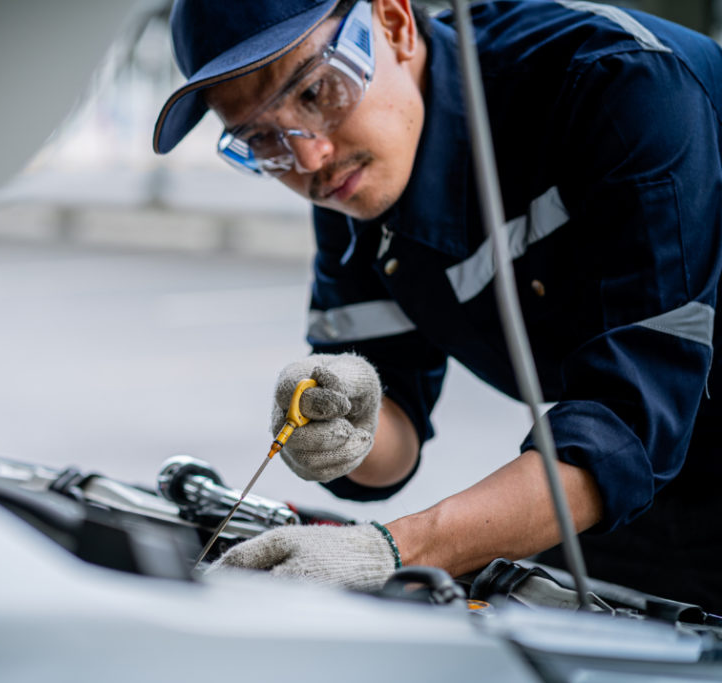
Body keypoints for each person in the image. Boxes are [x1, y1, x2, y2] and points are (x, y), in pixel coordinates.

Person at [152, 0, 722, 612]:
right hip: (637, 496)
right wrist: (349, 425)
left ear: (394, 24)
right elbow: (392, 440)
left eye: (317, 92)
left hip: (644, 447)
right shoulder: (351, 181)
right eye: (261, 140)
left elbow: (630, 422)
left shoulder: (619, 81)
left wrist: (391, 551)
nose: (308, 158)